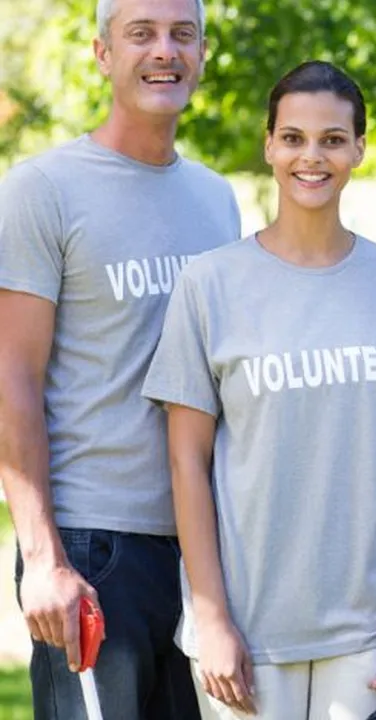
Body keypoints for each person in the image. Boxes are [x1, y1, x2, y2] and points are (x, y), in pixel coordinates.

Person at [141, 61, 376, 719]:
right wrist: (210, 616)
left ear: (359, 148)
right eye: (294, 137)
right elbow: (187, 460)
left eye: (332, 139)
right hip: (247, 627)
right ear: (269, 145)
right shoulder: (210, 284)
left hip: (368, 624)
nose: (313, 156)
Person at [0, 0, 240, 716]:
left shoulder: (216, 199)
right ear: (104, 54)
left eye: (181, 35)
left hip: (200, 549)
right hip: (92, 547)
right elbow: (13, 374)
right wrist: (43, 556)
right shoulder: (44, 190)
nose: (163, 51)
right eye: (141, 35)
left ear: (200, 54)